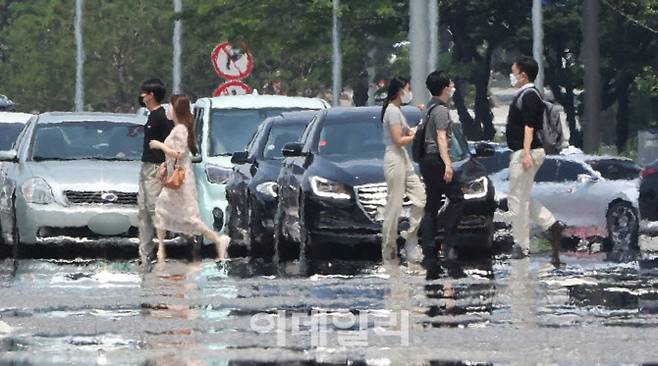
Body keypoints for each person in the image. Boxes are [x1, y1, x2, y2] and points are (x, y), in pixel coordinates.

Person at [150, 94, 229, 262]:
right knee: (162, 211)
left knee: (189, 217)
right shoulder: (178, 128)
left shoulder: (181, 130)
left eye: (170, 106)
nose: (167, 110)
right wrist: (165, 165)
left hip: (182, 181)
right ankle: (161, 251)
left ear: (176, 109)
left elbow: (179, 153)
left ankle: (217, 240)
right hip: (177, 177)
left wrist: (159, 145)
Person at [506, 55, 565, 266]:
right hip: (525, 150)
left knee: (515, 199)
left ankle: (521, 245)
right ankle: (552, 225)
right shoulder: (525, 94)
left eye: (513, 73)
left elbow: (529, 126)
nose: (511, 77)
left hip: (526, 151)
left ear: (523, 75)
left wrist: (527, 152)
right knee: (522, 197)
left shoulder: (529, 95)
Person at [419, 71, 464, 268]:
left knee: (432, 203)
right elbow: (441, 138)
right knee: (457, 199)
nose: (452, 87)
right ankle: (448, 242)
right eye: (451, 85)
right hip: (437, 159)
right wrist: (447, 164)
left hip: (426, 160)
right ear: (445, 88)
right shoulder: (441, 111)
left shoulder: (429, 108)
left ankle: (429, 247)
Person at [381, 77, 426, 264]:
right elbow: (399, 139)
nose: (409, 93)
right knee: (394, 204)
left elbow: (407, 132)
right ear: (400, 91)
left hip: (403, 157)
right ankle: (389, 247)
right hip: (395, 156)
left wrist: (419, 123)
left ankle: (410, 235)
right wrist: (415, 135)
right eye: (408, 89)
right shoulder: (391, 111)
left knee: (421, 197)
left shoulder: (398, 111)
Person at [137, 79, 174, 266]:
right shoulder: (151, 116)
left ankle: (160, 250)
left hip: (156, 168)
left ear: (151, 95)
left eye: (144, 93)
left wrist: (166, 165)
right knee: (143, 211)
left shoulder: (162, 117)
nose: (141, 96)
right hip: (146, 167)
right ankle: (144, 253)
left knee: (153, 210)